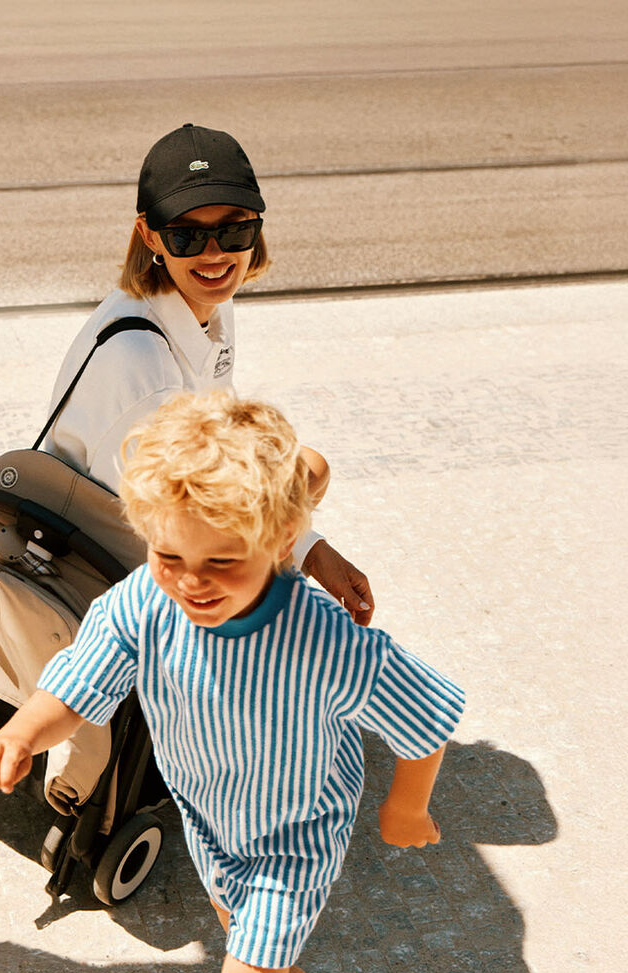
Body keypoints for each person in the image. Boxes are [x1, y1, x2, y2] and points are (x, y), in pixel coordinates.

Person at [0, 392, 466, 973]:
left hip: (297, 828)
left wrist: (406, 807)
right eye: (169, 555)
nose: (190, 582)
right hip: (207, 812)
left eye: (222, 562)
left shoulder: (324, 642)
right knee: (239, 928)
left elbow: (425, 718)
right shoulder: (144, 601)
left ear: (283, 543)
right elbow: (76, 685)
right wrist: (19, 734)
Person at [36, 123, 375, 625]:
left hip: (150, 518)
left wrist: (311, 548)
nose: (214, 254)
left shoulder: (197, 302)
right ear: (150, 235)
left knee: (304, 469)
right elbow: (174, 523)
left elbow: (220, 440)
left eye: (234, 231)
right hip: (110, 555)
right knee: (297, 478)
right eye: (187, 235)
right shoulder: (140, 360)